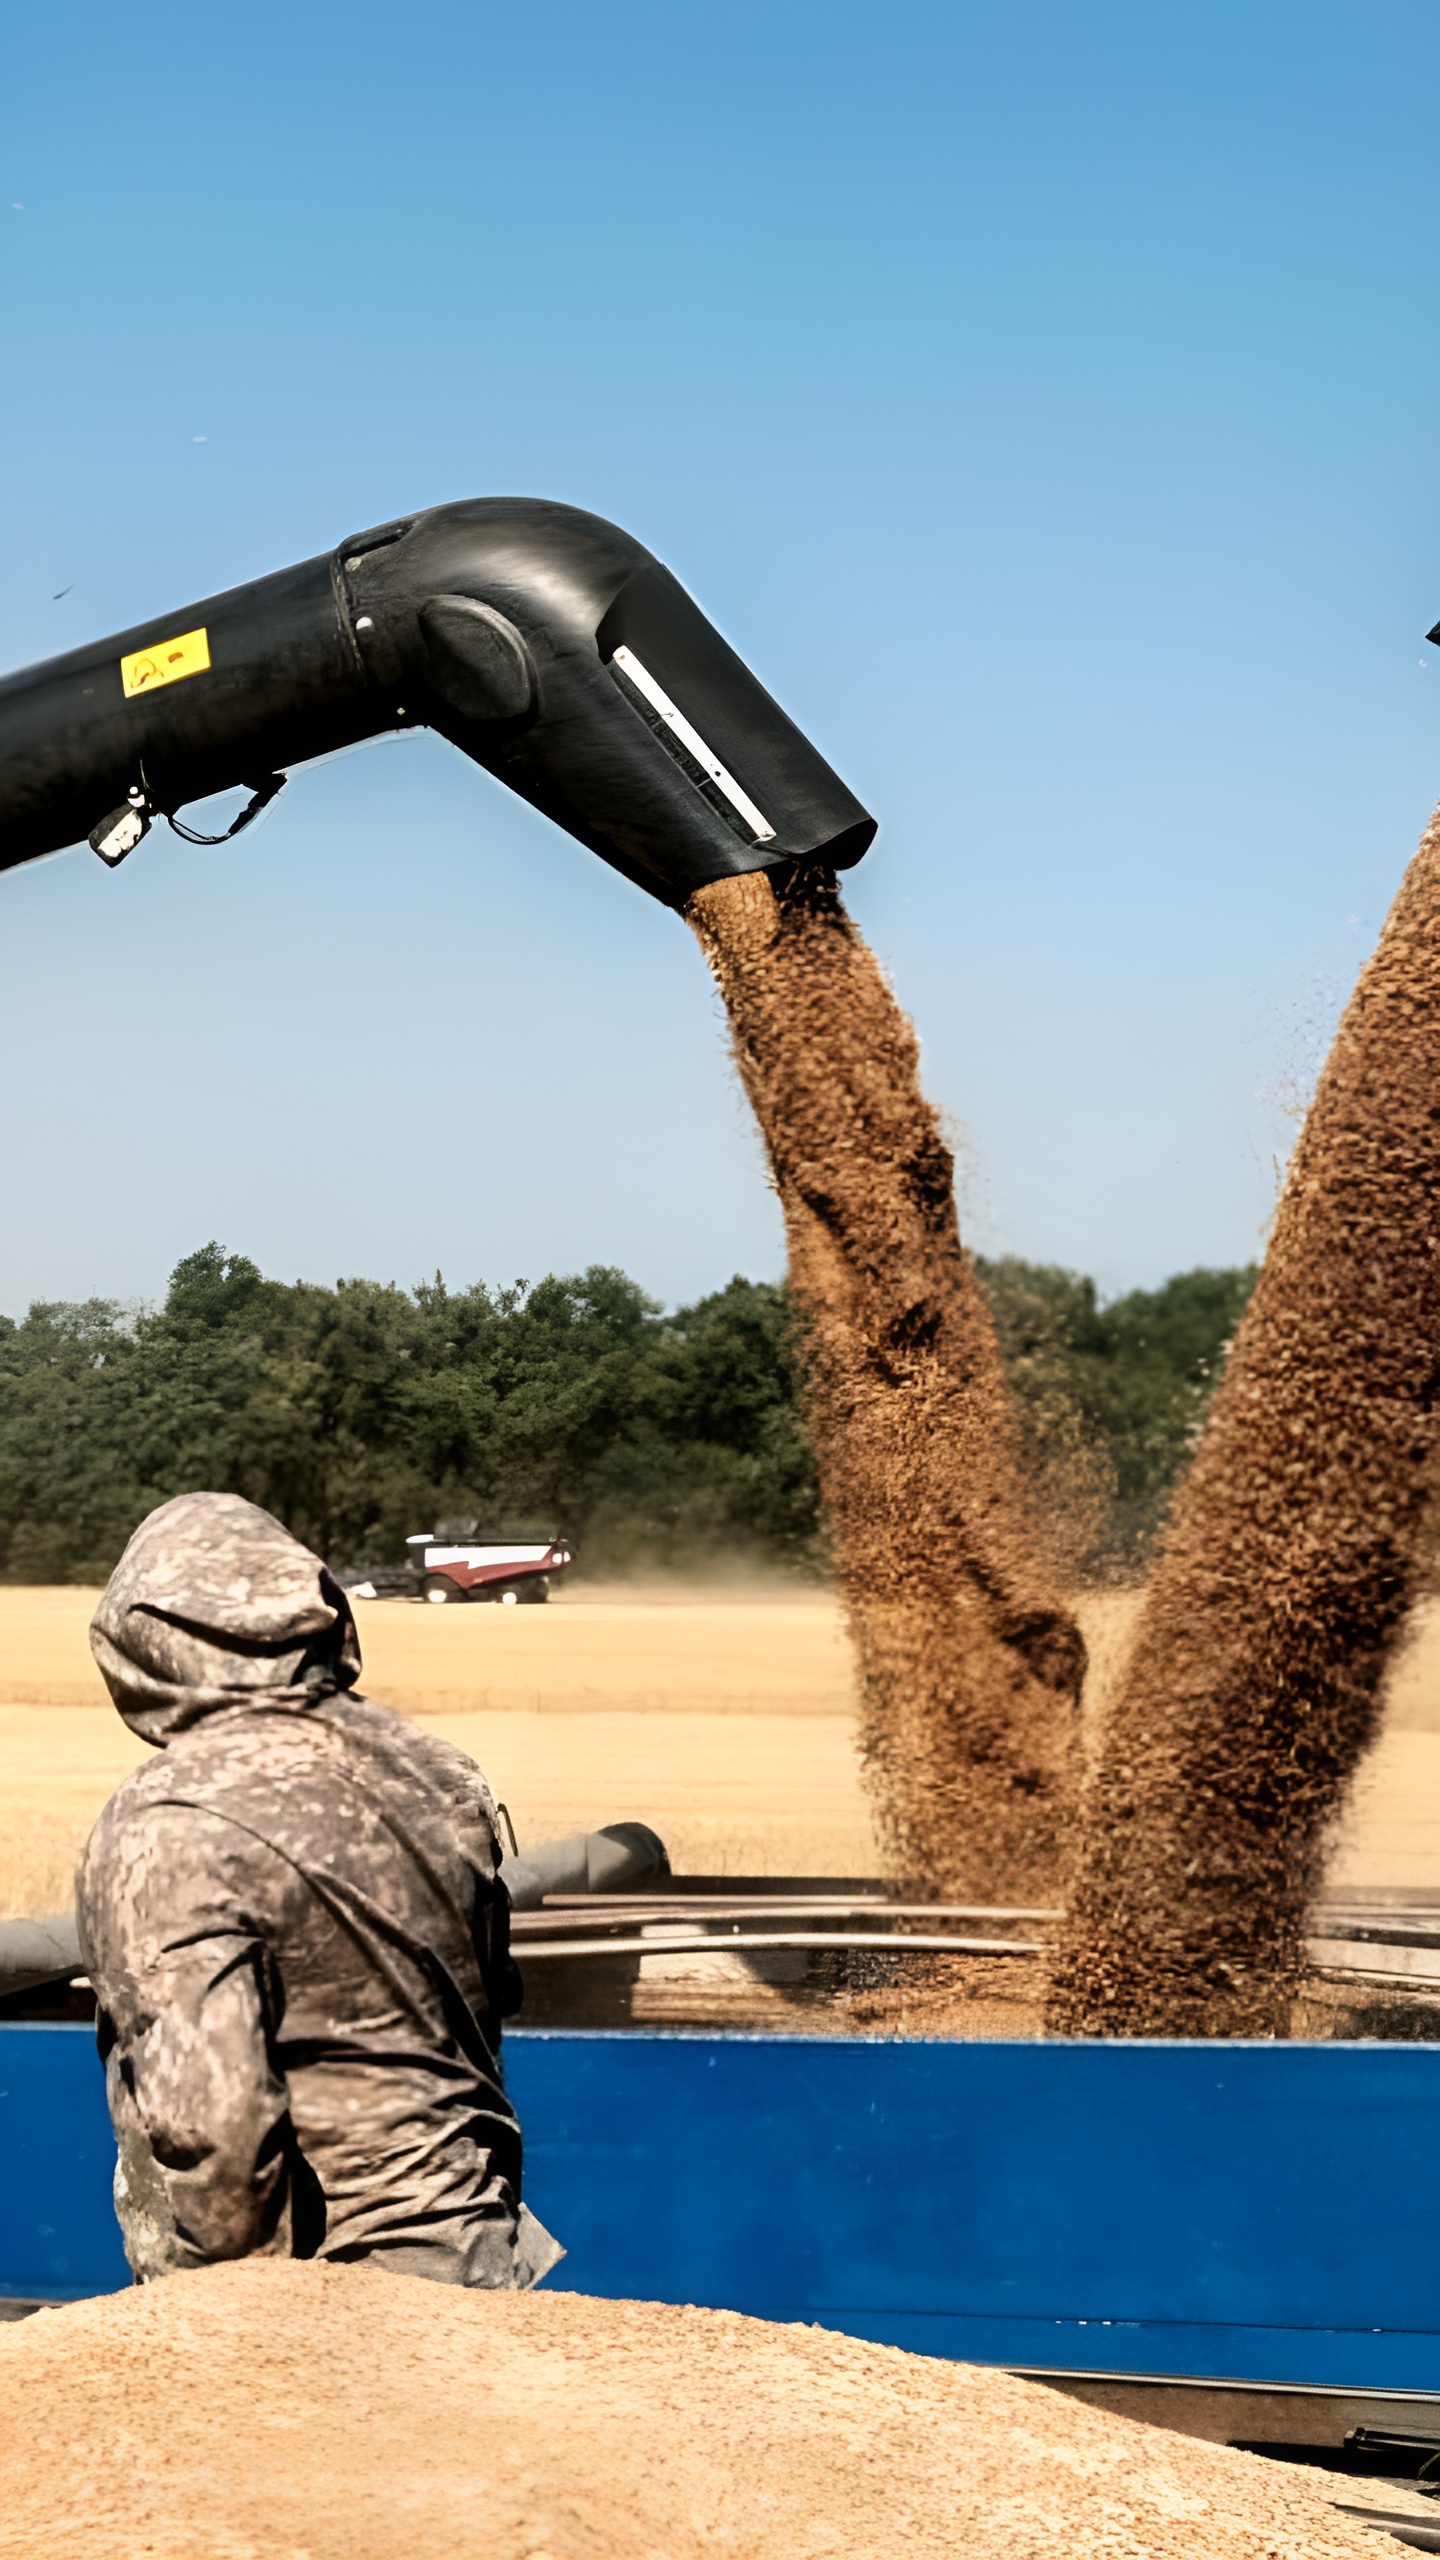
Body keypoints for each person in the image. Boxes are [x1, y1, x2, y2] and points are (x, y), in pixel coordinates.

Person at [76, 1490, 561, 2290]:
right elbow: (485, 2008)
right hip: (482, 2258)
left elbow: (215, 2124)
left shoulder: (165, 1820)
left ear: (141, 1642)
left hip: (333, 2302)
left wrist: (225, 2323)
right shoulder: (436, 1771)